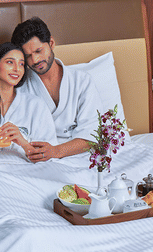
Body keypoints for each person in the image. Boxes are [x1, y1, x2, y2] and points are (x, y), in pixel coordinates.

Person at [11, 17, 102, 163]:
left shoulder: (81, 81)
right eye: (28, 56)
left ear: (51, 43)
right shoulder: (21, 87)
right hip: (39, 159)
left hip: (81, 155)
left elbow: (91, 136)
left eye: (38, 51)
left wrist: (56, 151)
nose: (35, 60)